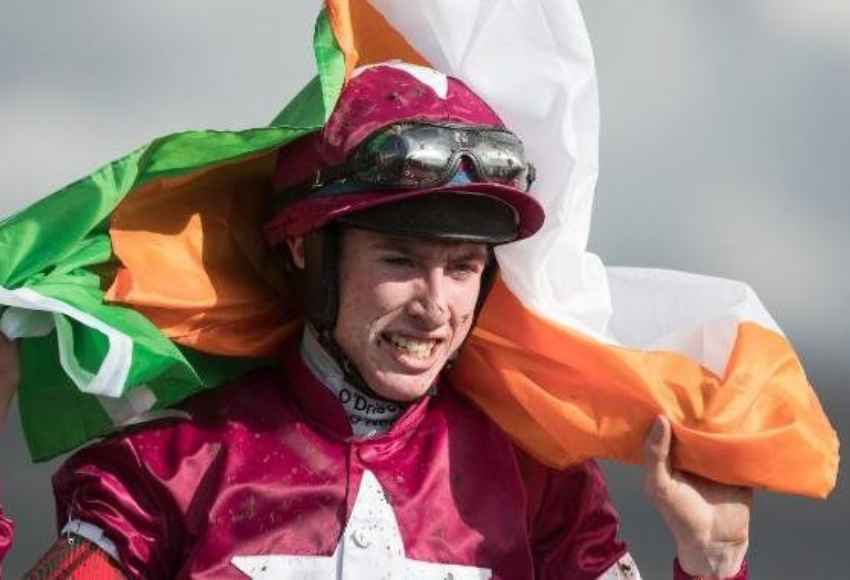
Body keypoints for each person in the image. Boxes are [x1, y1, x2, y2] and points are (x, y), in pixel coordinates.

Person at [0, 63, 750, 579]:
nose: (435, 306)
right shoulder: (170, 467)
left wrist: (712, 567)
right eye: (400, 260)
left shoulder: (542, 483)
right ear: (305, 250)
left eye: (462, 267)